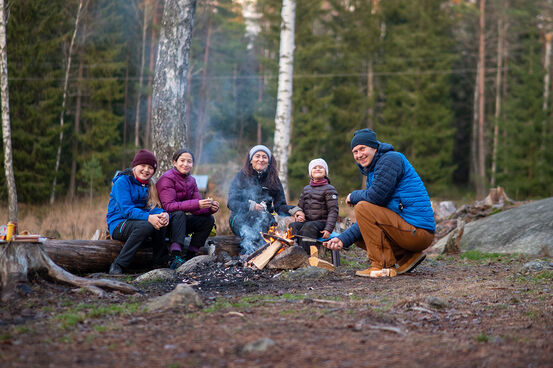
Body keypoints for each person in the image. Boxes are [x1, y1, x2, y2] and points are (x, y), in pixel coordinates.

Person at [324, 129, 435, 278]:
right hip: (408, 231)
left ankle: (381, 266)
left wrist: (354, 195)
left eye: (362, 148)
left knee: (362, 206)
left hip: (418, 232)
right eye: (355, 152)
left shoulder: (391, 160)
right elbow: (371, 217)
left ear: (374, 147)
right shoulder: (375, 170)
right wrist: (343, 239)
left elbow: (376, 197)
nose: (359, 155)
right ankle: (407, 258)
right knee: (358, 233)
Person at [106, 149, 169, 275]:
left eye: (150, 168)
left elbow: (152, 207)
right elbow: (126, 210)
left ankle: (158, 263)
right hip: (119, 223)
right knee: (147, 224)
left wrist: (164, 214)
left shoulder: (149, 185)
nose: (146, 170)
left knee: (160, 220)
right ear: (135, 166)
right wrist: (149, 217)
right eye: (143, 166)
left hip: (138, 221)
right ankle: (118, 264)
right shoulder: (122, 182)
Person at [156, 149, 219, 269]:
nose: (186, 164)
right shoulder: (167, 178)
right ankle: (175, 256)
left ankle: (191, 255)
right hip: (164, 223)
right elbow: (168, 206)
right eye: (182, 160)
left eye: (189, 161)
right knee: (179, 214)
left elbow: (197, 208)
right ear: (174, 162)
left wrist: (210, 208)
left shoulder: (192, 180)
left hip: (181, 223)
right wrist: (197, 203)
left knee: (208, 219)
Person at [227, 145, 294, 254]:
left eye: (264, 157)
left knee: (264, 222)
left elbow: (280, 206)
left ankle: (259, 259)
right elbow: (231, 203)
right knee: (250, 233)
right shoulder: (241, 177)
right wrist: (251, 206)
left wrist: (294, 210)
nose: (261, 160)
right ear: (250, 160)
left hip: (264, 219)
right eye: (257, 156)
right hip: (240, 219)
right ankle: (248, 257)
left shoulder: (273, 179)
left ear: (269, 161)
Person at [289, 158, 339, 254]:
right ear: (310, 173)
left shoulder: (329, 189)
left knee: (308, 227)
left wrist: (328, 229)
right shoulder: (306, 189)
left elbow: (333, 210)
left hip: (322, 223)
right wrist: (299, 215)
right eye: (314, 168)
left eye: (321, 167)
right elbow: (300, 208)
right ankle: (293, 252)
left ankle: (306, 255)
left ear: (326, 172)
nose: (317, 169)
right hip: (308, 222)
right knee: (293, 226)